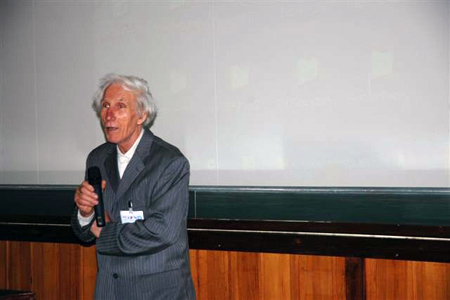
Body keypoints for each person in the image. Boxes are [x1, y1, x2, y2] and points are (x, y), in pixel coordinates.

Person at [71, 74, 196, 300]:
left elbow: (161, 231)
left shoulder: (169, 162)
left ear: (141, 115)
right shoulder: (97, 158)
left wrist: (105, 232)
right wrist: (84, 212)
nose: (109, 115)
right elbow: (85, 232)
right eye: (105, 106)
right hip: (110, 290)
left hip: (157, 292)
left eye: (120, 106)